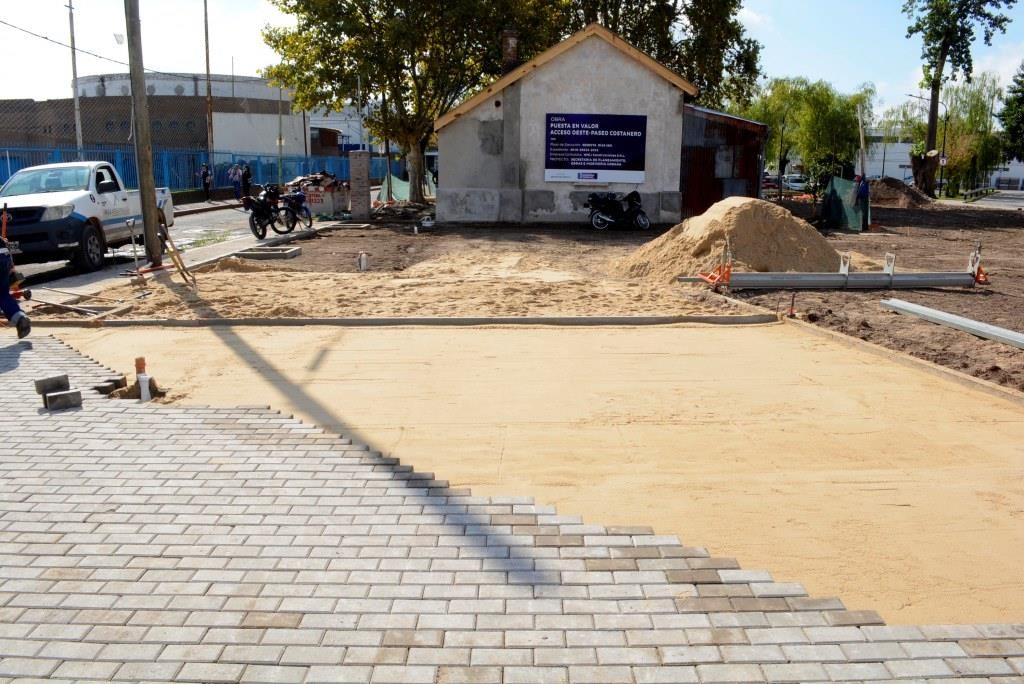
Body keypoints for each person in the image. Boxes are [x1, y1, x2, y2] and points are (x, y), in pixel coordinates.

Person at [0, 236, 30, 339]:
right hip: (4, 257)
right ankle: (19, 318)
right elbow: (5, 243)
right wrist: (11, 266)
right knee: (3, 294)